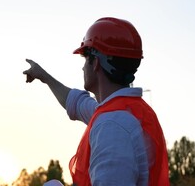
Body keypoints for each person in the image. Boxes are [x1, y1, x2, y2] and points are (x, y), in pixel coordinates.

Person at [23, 17, 169, 186]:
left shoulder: (113, 125)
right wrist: (44, 77)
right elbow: (76, 104)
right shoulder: (125, 111)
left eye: (85, 58)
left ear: (96, 62)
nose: (83, 67)